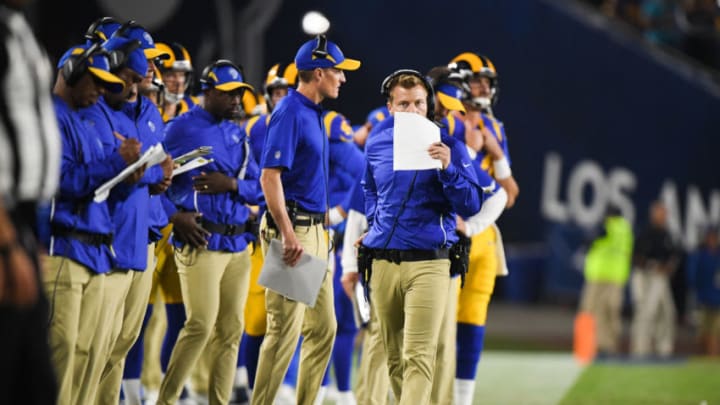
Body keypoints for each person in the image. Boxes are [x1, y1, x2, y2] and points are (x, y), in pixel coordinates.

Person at [361, 70, 483, 403]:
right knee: (395, 358)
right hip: (384, 262)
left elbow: (472, 203)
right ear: (390, 107)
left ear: (428, 105)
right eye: (404, 104)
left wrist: (449, 169)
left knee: (418, 356)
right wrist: (375, 224)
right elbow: (368, 189)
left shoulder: (450, 145)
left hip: (429, 263)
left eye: (418, 103)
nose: (413, 110)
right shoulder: (377, 142)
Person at [252, 35, 360, 405]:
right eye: (337, 71)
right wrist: (287, 234)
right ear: (317, 73)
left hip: (317, 231)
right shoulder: (290, 111)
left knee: (325, 328)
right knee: (284, 332)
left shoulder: (314, 113)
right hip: (295, 231)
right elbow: (270, 177)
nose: (342, 79)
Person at [157, 59, 259, 405]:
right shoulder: (180, 128)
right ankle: (166, 400)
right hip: (201, 241)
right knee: (199, 324)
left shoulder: (236, 131)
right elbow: (150, 180)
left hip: (237, 244)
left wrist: (231, 184)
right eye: (228, 94)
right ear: (208, 92)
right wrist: (174, 215)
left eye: (239, 94)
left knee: (231, 332)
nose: (236, 101)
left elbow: (259, 187)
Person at [48, 41, 141, 405]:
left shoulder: (85, 120)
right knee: (62, 355)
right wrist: (117, 162)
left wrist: (129, 170)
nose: (101, 91)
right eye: (96, 81)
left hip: (95, 251)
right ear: (71, 73)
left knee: (88, 355)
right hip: (64, 248)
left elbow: (96, 181)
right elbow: (63, 182)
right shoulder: (51, 116)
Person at [0, 1, 61, 403]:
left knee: (34, 380)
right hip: (3, 223)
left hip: (21, 219)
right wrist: (4, 241)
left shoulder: (17, 27)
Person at [579, 208, 634, 355]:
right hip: (616, 276)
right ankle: (610, 346)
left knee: (590, 310)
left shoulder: (605, 226)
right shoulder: (626, 229)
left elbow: (589, 240)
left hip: (598, 275)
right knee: (612, 311)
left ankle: (586, 345)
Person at [631, 201, 681, 357]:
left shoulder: (667, 234)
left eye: (664, 213)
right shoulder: (644, 231)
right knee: (646, 311)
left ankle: (664, 347)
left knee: (667, 311)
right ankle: (640, 348)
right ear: (653, 214)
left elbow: (674, 256)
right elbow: (635, 256)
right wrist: (651, 266)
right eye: (660, 212)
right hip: (644, 276)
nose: (662, 216)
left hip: (661, 277)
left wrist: (668, 268)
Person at [686, 227, 720, 356]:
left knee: (716, 330)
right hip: (703, 298)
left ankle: (713, 356)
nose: (712, 240)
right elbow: (692, 276)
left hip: (718, 298)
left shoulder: (717, 255)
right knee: (703, 331)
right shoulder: (700, 254)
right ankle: (706, 355)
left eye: (714, 237)